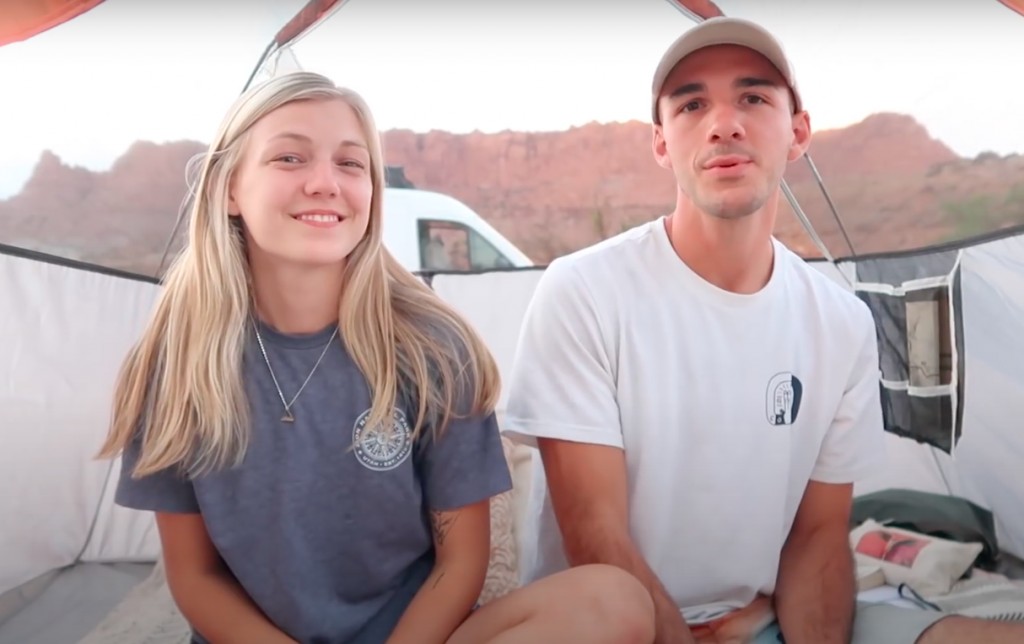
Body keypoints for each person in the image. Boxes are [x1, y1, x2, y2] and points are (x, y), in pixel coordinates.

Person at [502, 16, 1024, 644]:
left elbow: (817, 540)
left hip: (758, 618)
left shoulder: (839, 323)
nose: (724, 123)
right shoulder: (585, 291)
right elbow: (595, 537)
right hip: (617, 626)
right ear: (662, 143)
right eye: (692, 104)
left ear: (798, 132)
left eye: (752, 97)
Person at [96, 71, 655, 644]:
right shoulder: (179, 359)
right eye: (290, 158)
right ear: (229, 189)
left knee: (614, 602)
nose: (325, 182)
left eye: (350, 163)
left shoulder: (432, 348)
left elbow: (460, 562)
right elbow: (194, 576)